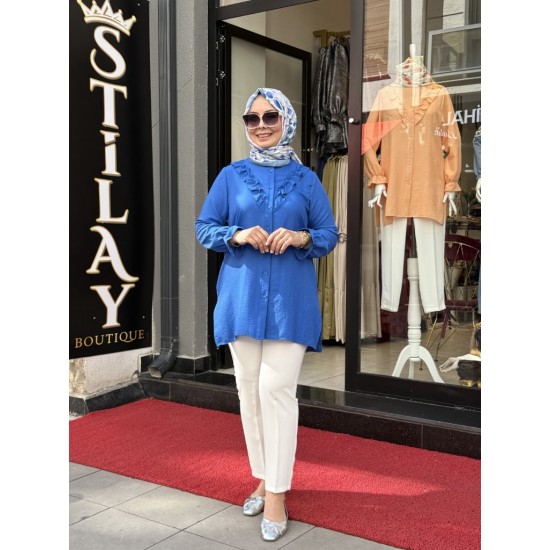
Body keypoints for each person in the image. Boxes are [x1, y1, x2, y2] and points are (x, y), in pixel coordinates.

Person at [195, 87, 338, 542]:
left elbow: (329, 234)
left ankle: (276, 493)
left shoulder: (307, 180)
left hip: (289, 302)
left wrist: (299, 238)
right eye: (251, 118)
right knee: (249, 392)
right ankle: (262, 476)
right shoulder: (230, 176)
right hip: (241, 298)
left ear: (286, 121)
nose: (260, 126)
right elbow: (204, 228)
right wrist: (236, 235)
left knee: (276, 391)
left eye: (270, 117)